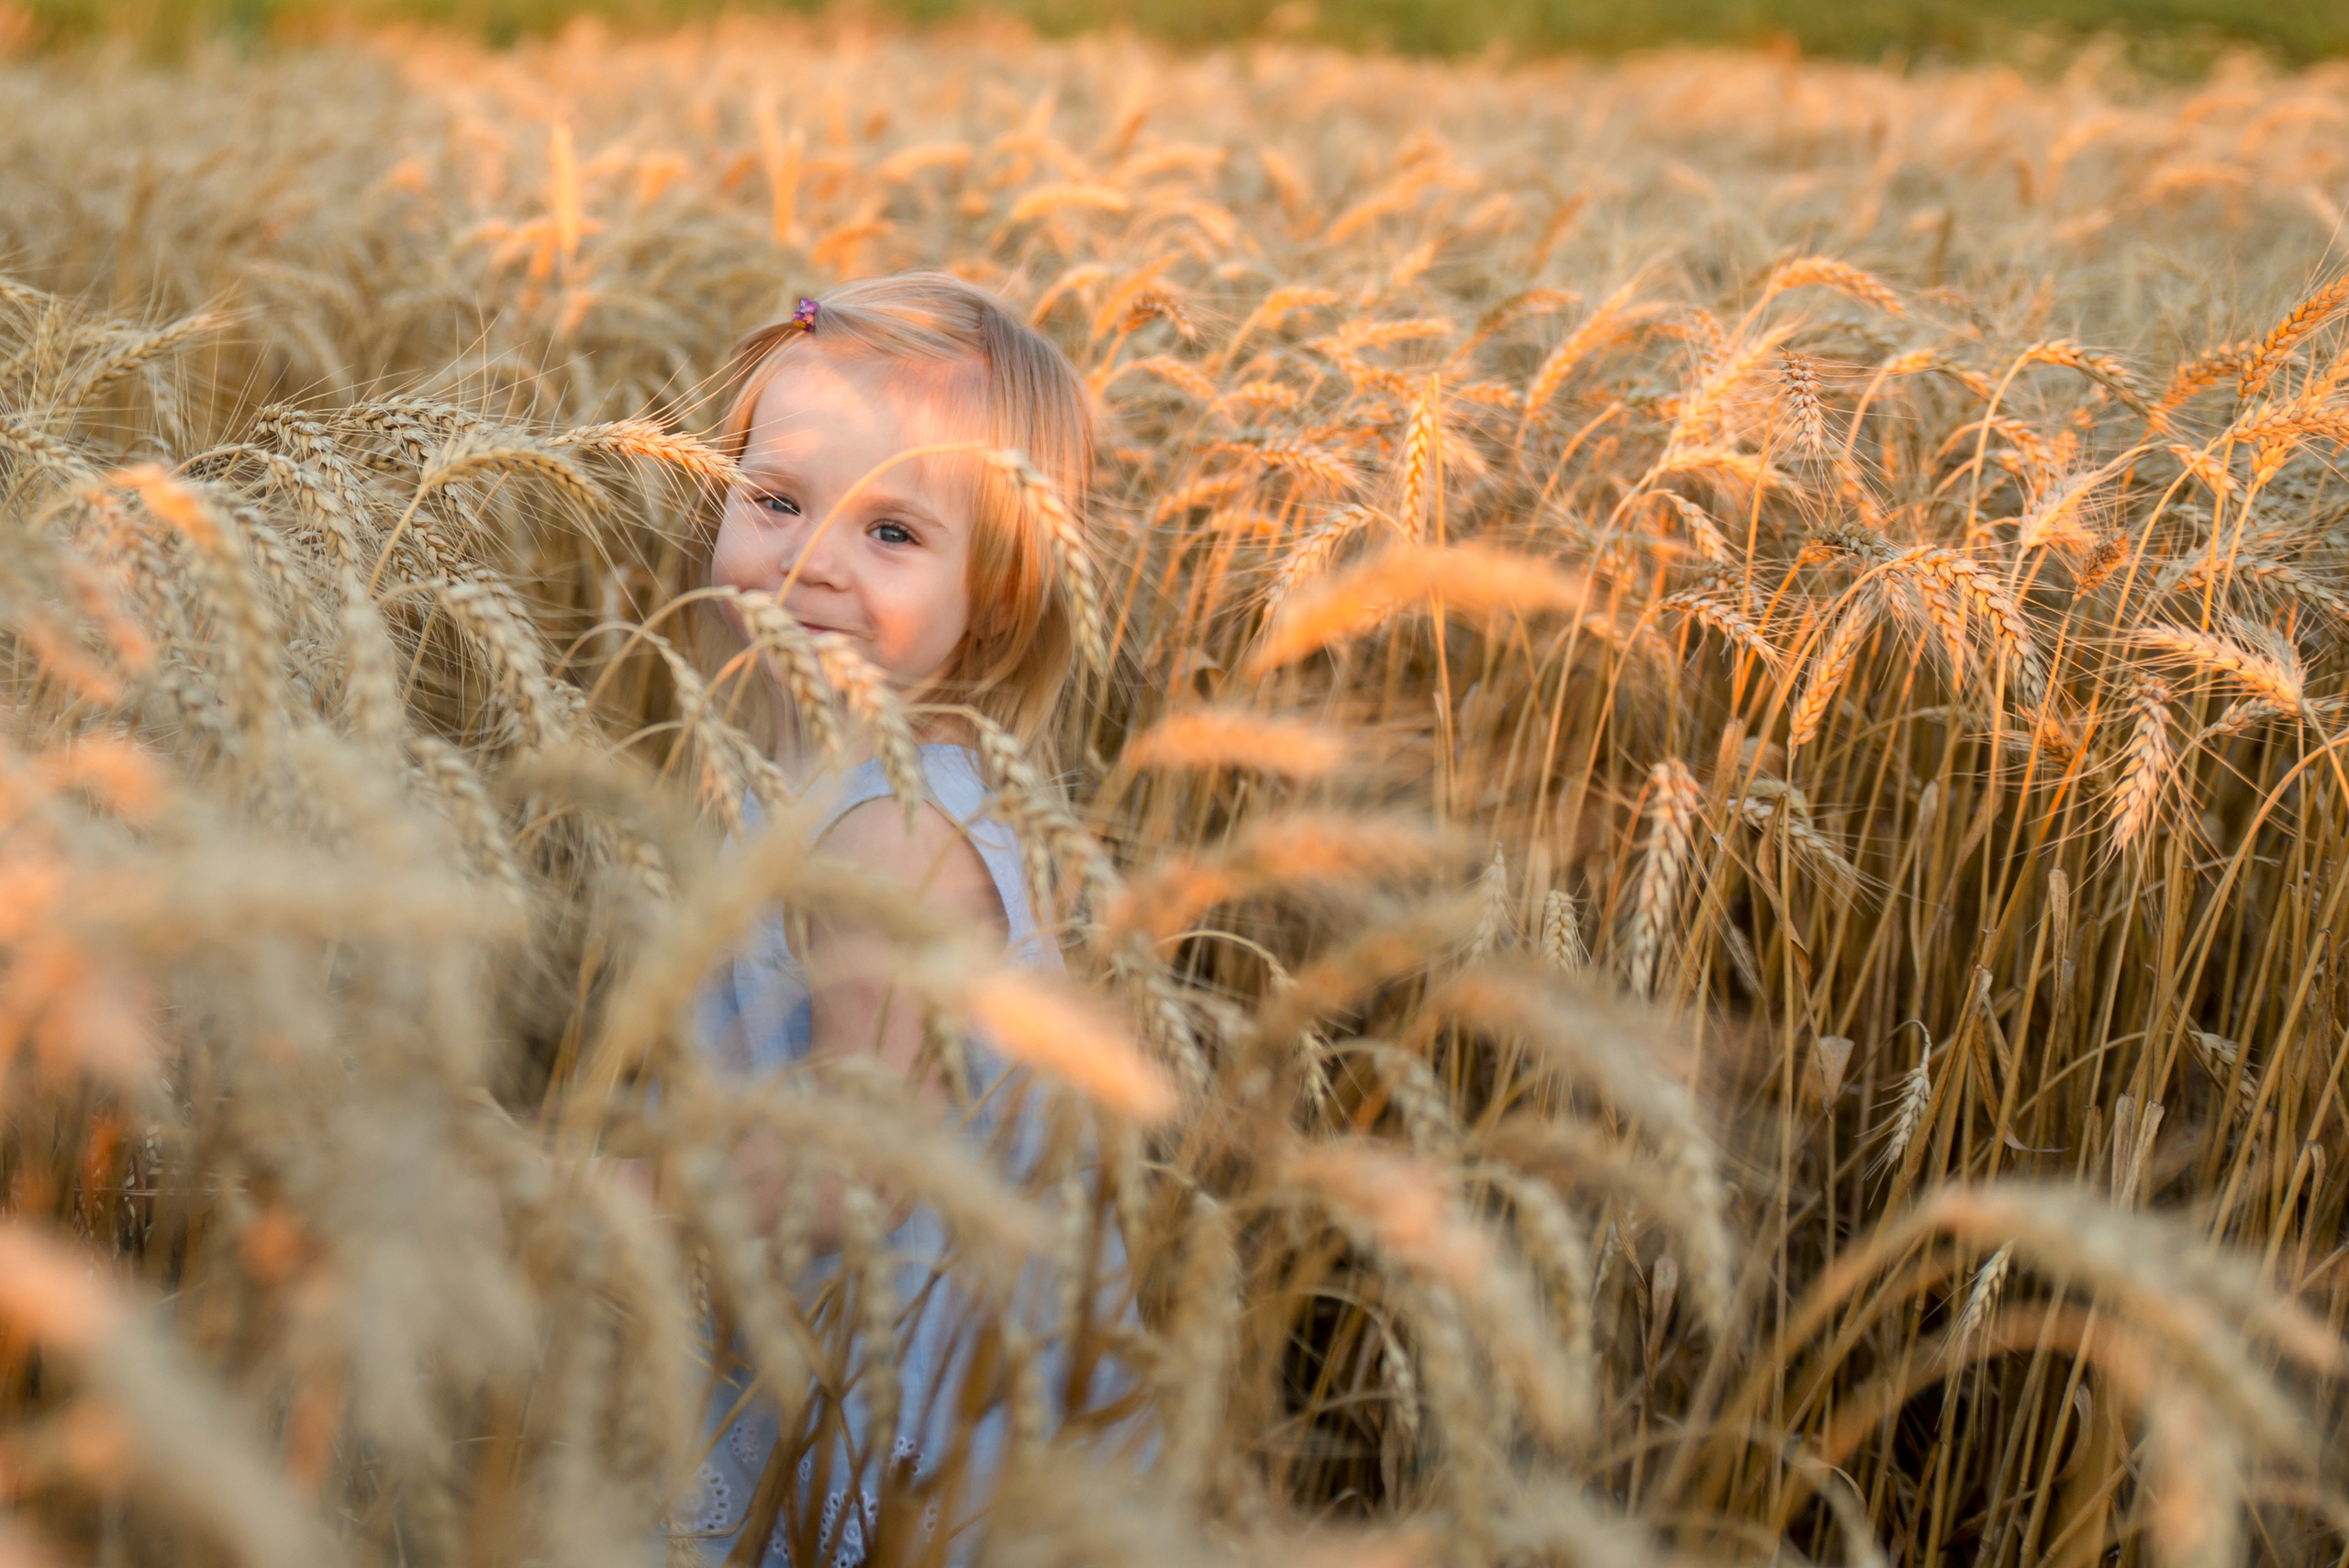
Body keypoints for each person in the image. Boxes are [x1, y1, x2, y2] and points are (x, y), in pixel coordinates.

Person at [677, 274, 1137, 1568]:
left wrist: (588, 1191)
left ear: (997, 588)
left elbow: (848, 1175)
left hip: (907, 1429)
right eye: (776, 500)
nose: (810, 559)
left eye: (892, 531)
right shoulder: (831, 785)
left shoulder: (893, 840)